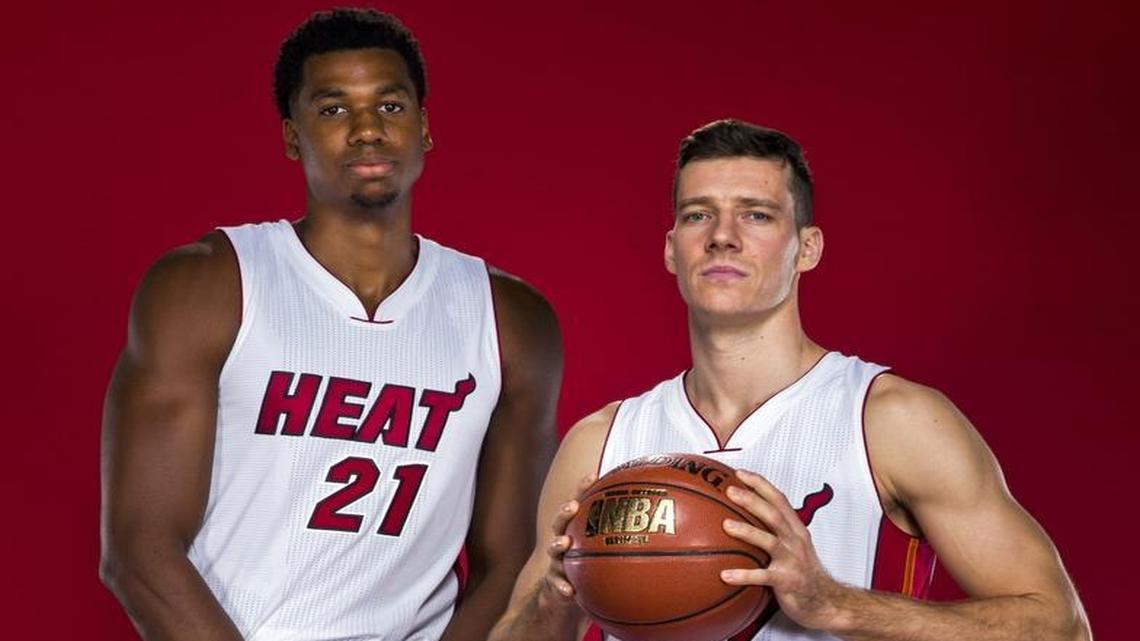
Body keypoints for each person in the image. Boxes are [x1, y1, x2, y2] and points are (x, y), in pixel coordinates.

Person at [489, 119, 1091, 641]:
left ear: (807, 248)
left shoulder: (891, 419)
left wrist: (834, 604)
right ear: (673, 249)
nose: (723, 235)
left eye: (756, 214)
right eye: (699, 215)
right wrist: (552, 597)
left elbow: (1059, 626)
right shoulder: (602, 443)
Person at [99, 9, 561, 641]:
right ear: (293, 137)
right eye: (334, 109)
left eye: (391, 106)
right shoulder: (207, 285)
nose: (368, 130)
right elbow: (139, 549)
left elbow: (512, 564)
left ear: (424, 128)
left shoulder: (509, 318)